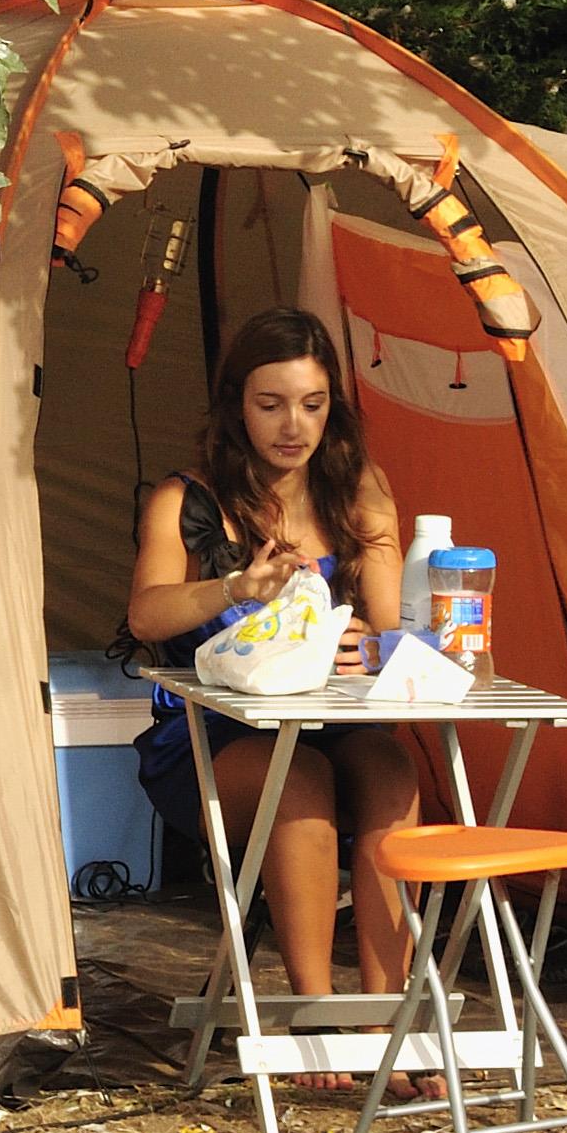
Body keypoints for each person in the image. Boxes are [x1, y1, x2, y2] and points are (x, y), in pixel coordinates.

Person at [124, 304, 428, 1084]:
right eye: (271, 404)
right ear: (236, 405)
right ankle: (316, 1012)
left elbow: (395, 628)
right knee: (301, 776)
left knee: (390, 771)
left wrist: (373, 643)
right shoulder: (187, 499)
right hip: (210, 736)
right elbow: (147, 612)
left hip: (326, 717)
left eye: (313, 404)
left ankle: (383, 1019)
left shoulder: (357, 492)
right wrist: (232, 584)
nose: (293, 425)